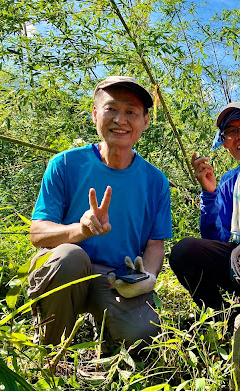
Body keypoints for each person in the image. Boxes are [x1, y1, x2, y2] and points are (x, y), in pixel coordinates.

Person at [28, 76, 172, 350]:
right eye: (111, 109)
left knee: (143, 334)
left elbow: (155, 245)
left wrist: (148, 278)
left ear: (145, 121)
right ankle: (49, 352)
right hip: (66, 269)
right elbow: (37, 233)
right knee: (70, 257)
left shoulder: (155, 181)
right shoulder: (65, 164)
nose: (120, 119)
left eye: (131, 112)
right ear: (95, 114)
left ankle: (105, 331)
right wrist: (79, 230)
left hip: (116, 279)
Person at [169, 102, 240, 310]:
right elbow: (215, 239)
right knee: (184, 251)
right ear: (225, 143)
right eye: (231, 131)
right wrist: (209, 193)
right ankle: (222, 315)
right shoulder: (229, 181)